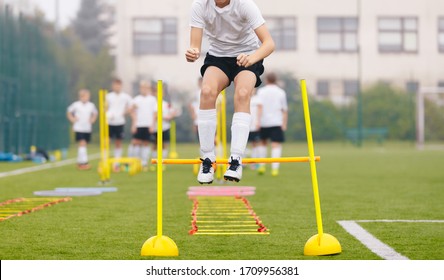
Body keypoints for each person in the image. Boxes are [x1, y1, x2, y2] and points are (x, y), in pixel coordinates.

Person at [186, 0, 275, 184]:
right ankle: (208, 159)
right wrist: (193, 52)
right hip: (218, 57)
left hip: (247, 55)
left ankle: (235, 160)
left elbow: (268, 44)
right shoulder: (199, 6)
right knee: (207, 91)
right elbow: (195, 45)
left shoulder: (245, 5)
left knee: (242, 94)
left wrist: (252, 58)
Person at [257, 72, 288, 176]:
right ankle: (275, 169)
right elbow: (284, 109)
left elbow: (259, 107)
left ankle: (262, 165)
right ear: (276, 80)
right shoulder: (281, 92)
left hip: (264, 122)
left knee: (262, 144)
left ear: (266, 80)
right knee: (276, 145)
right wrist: (284, 123)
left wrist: (257, 121)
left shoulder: (261, 91)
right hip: (276, 122)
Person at [67, 89, 98, 170]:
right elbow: (69, 112)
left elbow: (95, 113)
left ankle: (79, 162)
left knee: (84, 145)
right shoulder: (76, 105)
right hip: (79, 127)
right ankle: (84, 163)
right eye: (83, 96)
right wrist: (72, 119)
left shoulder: (91, 105)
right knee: (82, 143)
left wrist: (92, 120)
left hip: (87, 128)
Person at [106, 78, 132, 171]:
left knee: (118, 142)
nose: (117, 87)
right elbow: (104, 107)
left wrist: (125, 112)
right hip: (109, 122)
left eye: (118, 85)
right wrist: (107, 114)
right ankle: (105, 162)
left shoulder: (125, 97)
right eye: (115, 85)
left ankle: (116, 164)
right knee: (106, 142)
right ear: (112, 86)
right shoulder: (108, 96)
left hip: (120, 122)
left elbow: (132, 106)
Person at [129, 80, 157, 170]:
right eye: (142, 88)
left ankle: (144, 162)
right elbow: (131, 111)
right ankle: (133, 161)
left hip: (148, 124)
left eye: (146, 88)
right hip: (138, 124)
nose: (144, 90)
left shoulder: (152, 99)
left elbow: (155, 113)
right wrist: (134, 123)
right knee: (135, 142)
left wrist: (152, 125)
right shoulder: (136, 99)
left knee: (146, 143)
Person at [150, 98, 177, 171]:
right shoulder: (153, 103)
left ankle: (163, 163)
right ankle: (154, 163)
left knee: (164, 145)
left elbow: (174, 111)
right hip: (156, 128)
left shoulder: (166, 104)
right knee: (154, 146)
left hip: (165, 127)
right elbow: (155, 115)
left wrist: (170, 116)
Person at [247, 88, 262, 170]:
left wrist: (258, 122)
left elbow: (260, 111)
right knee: (244, 143)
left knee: (255, 144)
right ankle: (243, 162)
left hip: (254, 125)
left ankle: (254, 163)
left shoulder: (257, 99)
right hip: (246, 124)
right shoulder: (246, 98)